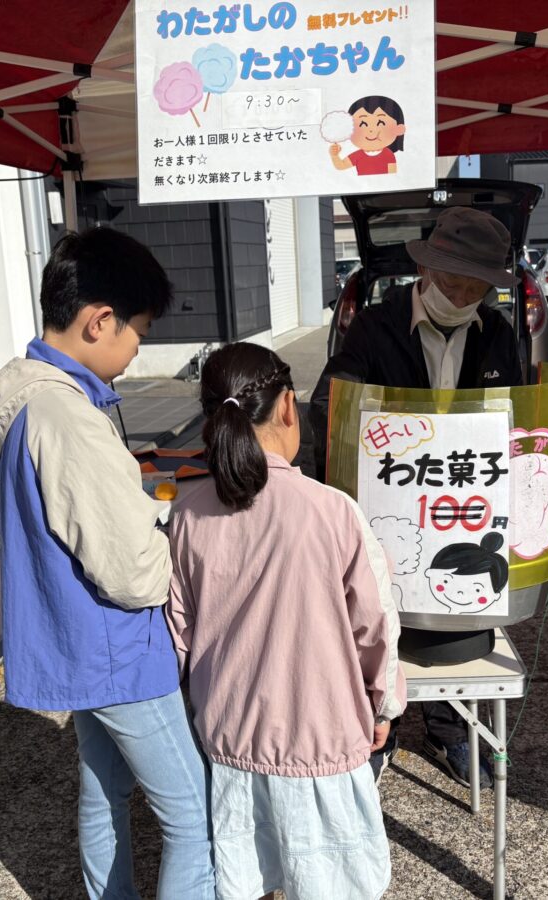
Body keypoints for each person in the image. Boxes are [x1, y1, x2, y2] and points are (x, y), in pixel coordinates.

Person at [0, 227, 215, 900]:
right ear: (99, 321)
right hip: (119, 652)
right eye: (138, 331)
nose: (137, 350)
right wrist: (168, 536)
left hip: (75, 649)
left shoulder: (31, 402)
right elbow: (131, 571)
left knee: (105, 794)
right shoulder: (66, 416)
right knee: (197, 813)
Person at [167, 342, 406, 900]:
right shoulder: (332, 510)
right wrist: (384, 703)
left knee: (247, 874)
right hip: (321, 741)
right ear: (288, 407)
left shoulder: (186, 513)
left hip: (225, 742)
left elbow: (174, 634)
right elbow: (376, 627)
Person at [310, 206, 525, 790]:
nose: (458, 294)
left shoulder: (499, 336)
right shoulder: (376, 326)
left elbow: (519, 420)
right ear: (425, 269)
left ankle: (451, 729)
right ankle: (384, 726)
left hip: (463, 506)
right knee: (382, 617)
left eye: (473, 286)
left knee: (456, 616)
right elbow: (329, 404)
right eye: (449, 280)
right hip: (392, 503)